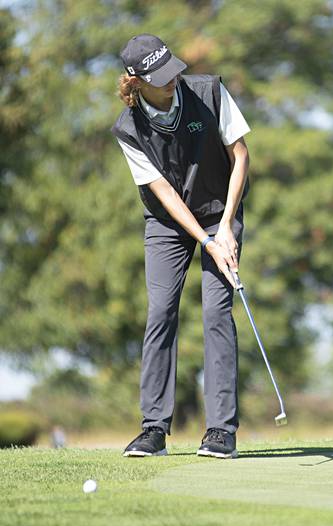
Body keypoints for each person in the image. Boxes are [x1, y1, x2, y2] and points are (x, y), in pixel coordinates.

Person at [111, 34, 251, 459]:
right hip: (168, 222)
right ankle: (154, 429)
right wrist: (204, 240)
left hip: (218, 209)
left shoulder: (209, 91)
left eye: (173, 70)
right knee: (161, 311)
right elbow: (166, 196)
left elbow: (240, 155)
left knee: (215, 310)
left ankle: (221, 431)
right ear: (136, 82)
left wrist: (224, 227)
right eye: (160, 77)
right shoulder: (127, 128)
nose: (173, 81)